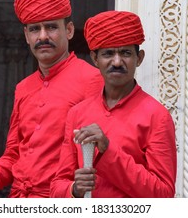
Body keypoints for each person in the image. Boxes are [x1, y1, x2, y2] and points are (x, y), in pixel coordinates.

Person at [0, 0, 104, 198]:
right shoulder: (23, 87)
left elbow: (99, 154)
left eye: (51, 27)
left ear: (69, 30)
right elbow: (13, 155)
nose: (42, 36)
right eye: (34, 29)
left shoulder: (92, 79)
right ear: (26, 36)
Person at [50, 10, 177, 198]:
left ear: (139, 58)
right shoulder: (77, 113)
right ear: (95, 59)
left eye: (125, 53)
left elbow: (164, 194)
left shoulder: (157, 116)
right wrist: (75, 190)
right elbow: (57, 186)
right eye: (108, 53)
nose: (117, 62)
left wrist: (108, 150)